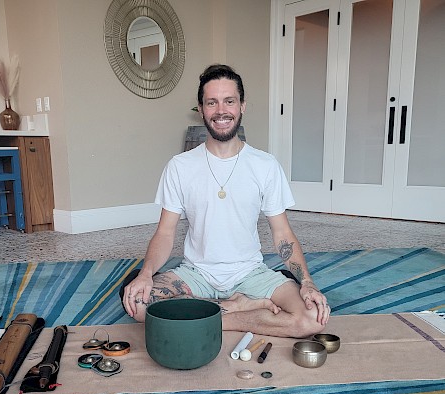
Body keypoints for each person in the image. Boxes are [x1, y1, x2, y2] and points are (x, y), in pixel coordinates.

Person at [122, 64, 330, 338]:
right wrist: (146, 273)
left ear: (242, 106)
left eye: (229, 101)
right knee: (138, 304)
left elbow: (282, 233)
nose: (221, 110)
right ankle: (246, 310)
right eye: (212, 102)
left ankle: (207, 316)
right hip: (196, 273)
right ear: (201, 109)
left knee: (314, 318)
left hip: (251, 273)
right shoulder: (180, 166)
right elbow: (164, 232)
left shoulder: (265, 165)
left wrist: (307, 282)